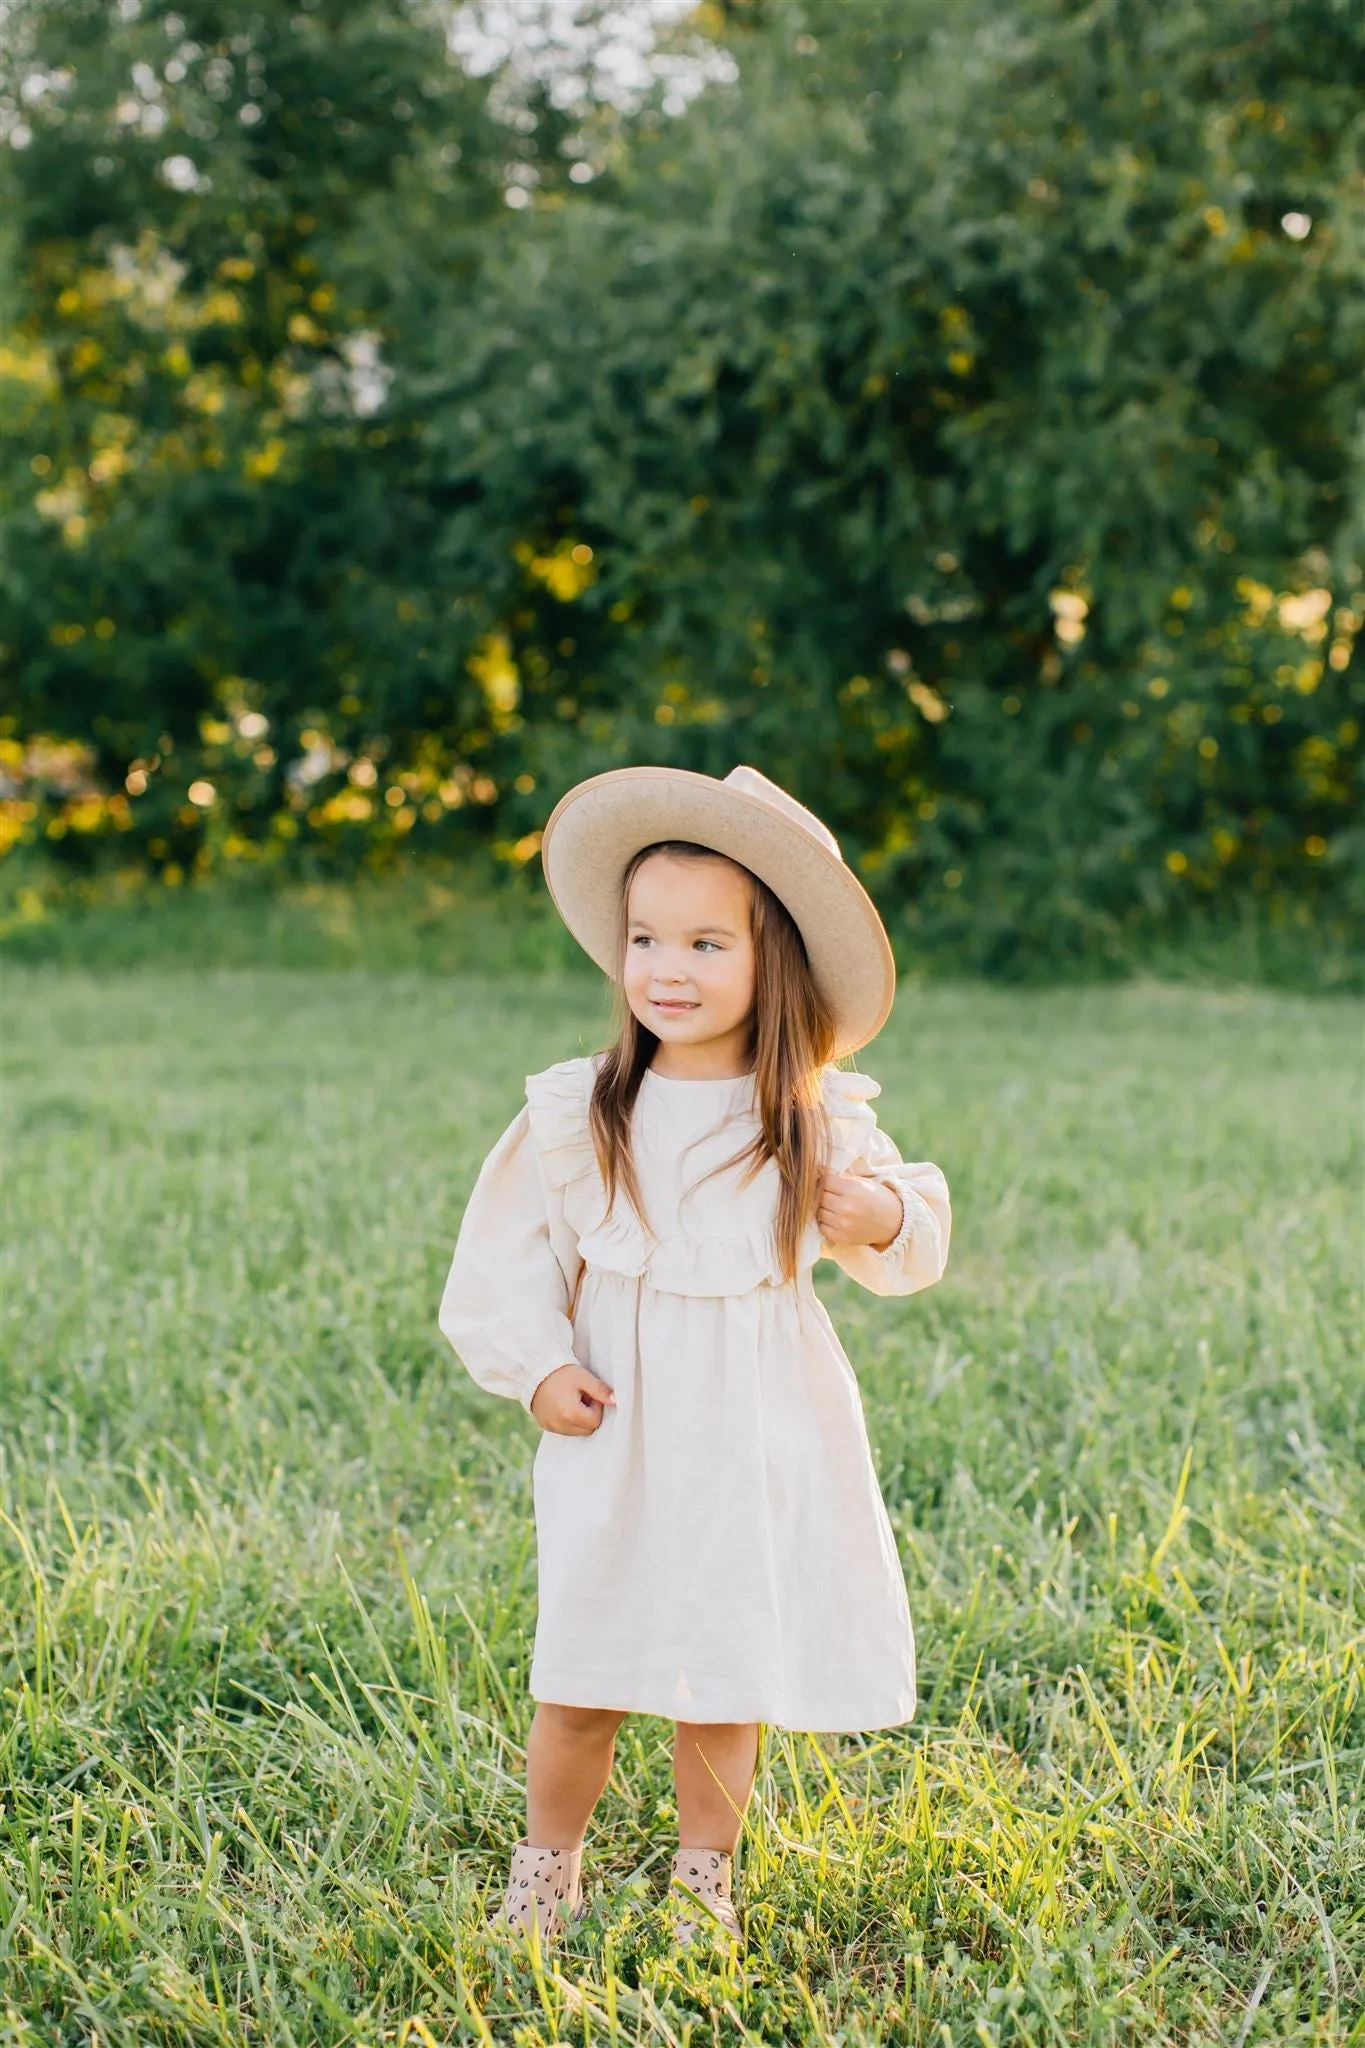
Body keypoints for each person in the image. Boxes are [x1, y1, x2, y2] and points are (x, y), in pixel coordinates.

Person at [439, 764, 951, 1950]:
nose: (668, 968)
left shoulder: (812, 1116)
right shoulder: (587, 1107)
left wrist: (873, 1215)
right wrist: (535, 1364)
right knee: (584, 1662)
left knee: (725, 1670)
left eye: (707, 942)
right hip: (618, 1419)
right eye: (646, 938)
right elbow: (505, 1252)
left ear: (774, 962)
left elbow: (908, 1228)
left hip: (755, 1423)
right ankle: (545, 1867)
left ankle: (702, 1876)